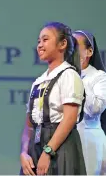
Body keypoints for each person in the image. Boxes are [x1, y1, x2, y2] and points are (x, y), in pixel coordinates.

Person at [20, 22, 86, 175]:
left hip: (60, 149)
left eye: (45, 40)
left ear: (62, 44)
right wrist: (24, 152)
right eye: (38, 41)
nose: (40, 45)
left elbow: (69, 119)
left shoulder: (69, 75)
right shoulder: (38, 82)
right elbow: (29, 126)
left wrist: (48, 151)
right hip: (36, 148)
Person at [73, 30, 106, 175]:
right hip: (65, 141)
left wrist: (77, 80)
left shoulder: (99, 76)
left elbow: (96, 108)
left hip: (89, 140)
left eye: (75, 46)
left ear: (89, 51)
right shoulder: (62, 75)